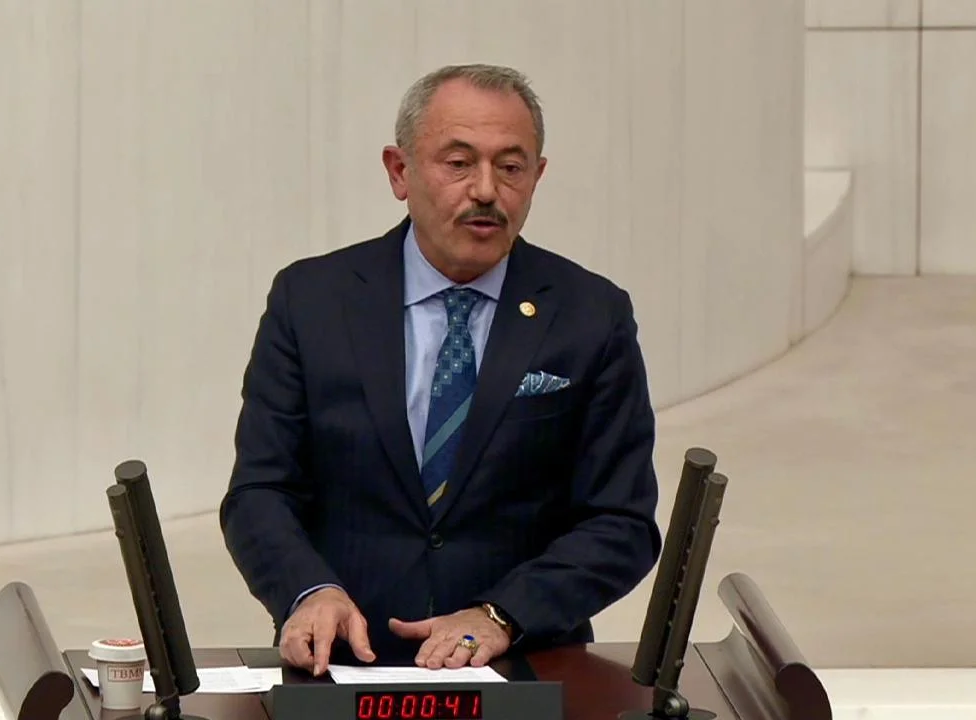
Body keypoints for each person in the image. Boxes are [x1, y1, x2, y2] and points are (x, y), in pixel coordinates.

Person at [219, 63, 661, 676]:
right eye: (458, 163)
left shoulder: (590, 315)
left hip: (522, 665)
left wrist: (502, 615)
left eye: (511, 168)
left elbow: (621, 521)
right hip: (346, 663)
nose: (486, 190)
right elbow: (260, 491)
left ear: (537, 176)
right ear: (399, 171)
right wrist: (308, 591)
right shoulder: (312, 301)